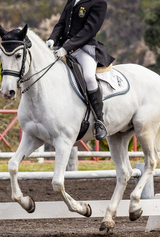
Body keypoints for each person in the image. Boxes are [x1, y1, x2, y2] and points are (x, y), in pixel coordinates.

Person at [47, 0, 115, 141]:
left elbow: (89, 30)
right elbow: (61, 23)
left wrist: (68, 47)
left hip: (83, 49)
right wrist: (52, 39)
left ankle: (99, 121)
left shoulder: (99, 3)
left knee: (89, 77)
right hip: (62, 47)